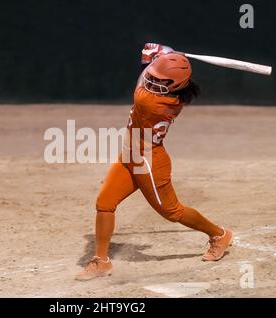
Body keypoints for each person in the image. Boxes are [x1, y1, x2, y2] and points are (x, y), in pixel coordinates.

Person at [75, 43, 233, 281]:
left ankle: (219, 234)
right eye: (153, 78)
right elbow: (149, 70)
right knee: (105, 202)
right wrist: (161, 58)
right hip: (130, 155)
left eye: (158, 81)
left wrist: (156, 53)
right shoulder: (167, 91)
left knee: (172, 211)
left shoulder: (151, 103)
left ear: (176, 85)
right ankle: (101, 261)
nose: (151, 82)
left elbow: (142, 75)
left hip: (150, 163)